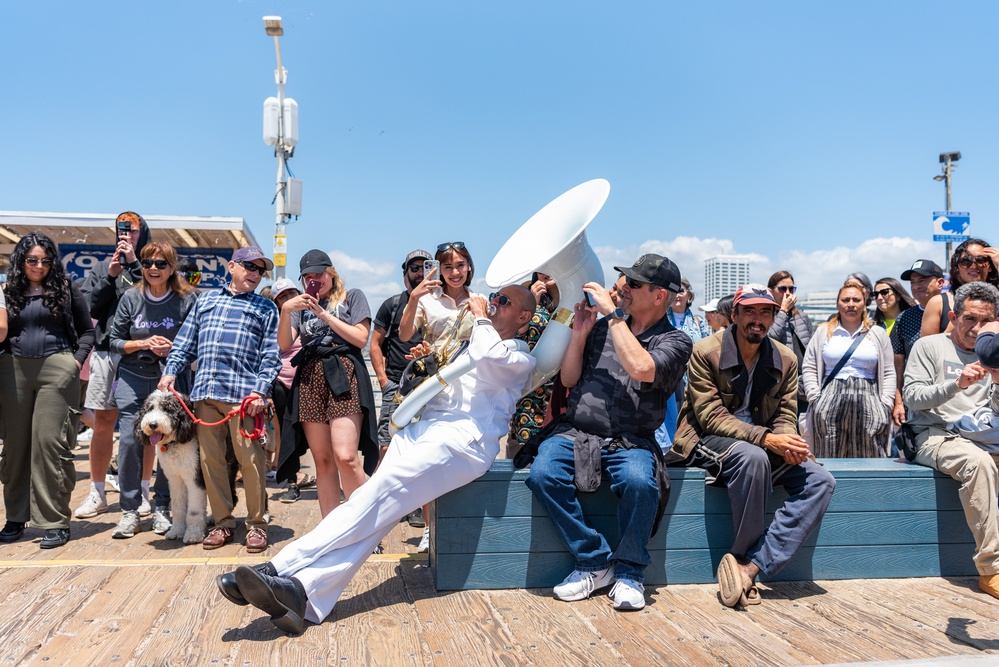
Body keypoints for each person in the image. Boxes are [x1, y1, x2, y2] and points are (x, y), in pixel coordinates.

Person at [215, 286, 537, 633]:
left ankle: (278, 568)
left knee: (370, 498)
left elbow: (487, 356)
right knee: (377, 516)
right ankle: (303, 595)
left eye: (504, 301)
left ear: (523, 318)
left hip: (461, 442)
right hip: (425, 430)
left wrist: (481, 317)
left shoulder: (518, 356)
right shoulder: (476, 338)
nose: (493, 303)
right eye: (494, 297)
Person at [525, 254, 692, 611]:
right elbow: (569, 380)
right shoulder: (602, 328)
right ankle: (594, 561)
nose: (625, 289)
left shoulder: (676, 342)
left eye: (634, 284)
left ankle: (630, 572)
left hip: (631, 439)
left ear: (660, 296)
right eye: (626, 282)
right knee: (542, 474)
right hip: (577, 433)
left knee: (639, 482)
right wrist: (580, 337)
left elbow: (642, 367)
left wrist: (613, 317)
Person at [672, 283, 835, 608]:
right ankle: (740, 553)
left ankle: (750, 567)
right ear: (734, 314)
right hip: (706, 439)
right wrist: (768, 439)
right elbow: (710, 416)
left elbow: (787, 413)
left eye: (765, 312)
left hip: (763, 442)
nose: (757, 319)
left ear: (775, 316)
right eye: (749, 311)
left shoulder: (785, 358)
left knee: (820, 479)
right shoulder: (706, 351)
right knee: (754, 457)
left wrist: (787, 440)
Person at [159, 245, 281, 553]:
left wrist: (259, 391)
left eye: (260, 270)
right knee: (210, 462)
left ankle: (256, 525)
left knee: (251, 461)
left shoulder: (267, 309)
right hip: (206, 394)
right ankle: (224, 522)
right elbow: (185, 343)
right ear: (232, 266)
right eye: (250, 266)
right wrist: (170, 371)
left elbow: (271, 356)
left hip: (243, 398)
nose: (256, 273)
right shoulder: (206, 300)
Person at [903, 281, 999, 600]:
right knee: (979, 463)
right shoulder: (928, 347)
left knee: (982, 456)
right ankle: (991, 569)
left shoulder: (993, 352)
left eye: (986, 321)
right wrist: (956, 383)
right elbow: (913, 398)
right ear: (954, 316)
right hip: (936, 435)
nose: (977, 327)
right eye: (970, 319)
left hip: (983, 433)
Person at [0, 233, 95, 548]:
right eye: (32, 260)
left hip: (57, 369)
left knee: (49, 445)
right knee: (14, 448)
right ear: (21, 261)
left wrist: (74, 362)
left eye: (45, 260)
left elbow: (87, 331)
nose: (39, 266)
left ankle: (54, 521)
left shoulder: (66, 289)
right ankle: (16, 518)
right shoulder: (8, 291)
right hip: (12, 370)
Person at [107, 242, 198, 538]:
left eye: (161, 263)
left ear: (172, 267)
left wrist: (174, 349)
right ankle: (130, 511)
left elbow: (197, 342)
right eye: (147, 263)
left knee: (170, 444)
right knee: (131, 443)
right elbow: (115, 341)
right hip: (134, 376)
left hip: (171, 379)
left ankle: (162, 507)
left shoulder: (186, 299)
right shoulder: (131, 297)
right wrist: (144, 344)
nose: (153, 269)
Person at [277, 249, 376, 518]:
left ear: (331, 272)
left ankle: (366, 526)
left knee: (346, 456)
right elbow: (285, 344)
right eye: (308, 276)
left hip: (343, 373)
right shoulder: (300, 305)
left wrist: (324, 314)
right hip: (310, 378)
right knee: (322, 461)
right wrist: (286, 311)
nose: (314, 280)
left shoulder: (352, 296)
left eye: (319, 274)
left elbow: (360, 338)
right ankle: (331, 531)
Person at [397, 241, 480, 551]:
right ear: (439, 270)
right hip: (436, 389)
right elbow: (405, 335)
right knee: (430, 461)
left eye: (459, 265)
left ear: (469, 266)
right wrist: (414, 298)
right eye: (447, 266)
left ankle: (461, 526)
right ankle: (432, 528)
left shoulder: (480, 301)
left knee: (464, 458)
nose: (454, 272)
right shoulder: (427, 302)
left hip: (471, 389)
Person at [75, 211, 157, 522]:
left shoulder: (151, 266)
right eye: (122, 229)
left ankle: (144, 490)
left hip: (140, 356)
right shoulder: (100, 268)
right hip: (106, 353)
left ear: (143, 232)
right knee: (103, 425)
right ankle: (97, 492)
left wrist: (136, 263)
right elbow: (89, 309)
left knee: (146, 428)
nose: (127, 234)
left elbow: (151, 300)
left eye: (133, 229)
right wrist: (110, 277)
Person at [801, 280, 895, 457]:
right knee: (829, 451)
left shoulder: (877, 333)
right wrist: (815, 397)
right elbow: (809, 365)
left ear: (864, 302)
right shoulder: (823, 331)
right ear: (838, 303)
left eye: (856, 300)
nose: (851, 304)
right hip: (830, 395)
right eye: (846, 300)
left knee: (873, 452)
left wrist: (886, 403)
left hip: (870, 395)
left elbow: (889, 371)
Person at [370, 249, 430, 459]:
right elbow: (374, 344)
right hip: (397, 385)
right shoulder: (392, 305)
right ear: (405, 273)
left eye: (426, 267)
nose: (420, 273)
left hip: (432, 387)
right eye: (414, 268)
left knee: (425, 449)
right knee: (387, 448)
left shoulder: (443, 305)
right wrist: (384, 381)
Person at [269, 278, 312, 503]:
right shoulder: (274, 322)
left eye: (291, 293)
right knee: (287, 434)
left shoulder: (312, 314)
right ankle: (292, 483)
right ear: (277, 302)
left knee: (319, 434)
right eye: (283, 297)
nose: (289, 299)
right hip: (282, 384)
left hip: (309, 382)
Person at [508, 271, 559, 455]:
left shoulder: (573, 300)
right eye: (542, 268)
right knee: (522, 459)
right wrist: (531, 303)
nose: (547, 272)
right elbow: (514, 338)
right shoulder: (527, 296)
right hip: (530, 396)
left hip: (560, 392)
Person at [922, 239, 999, 337]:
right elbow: (926, 347)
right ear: (957, 266)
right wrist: (953, 330)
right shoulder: (938, 303)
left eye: (981, 260)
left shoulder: (997, 301)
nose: (973, 265)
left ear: (991, 266)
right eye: (966, 261)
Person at [767, 271, 814, 417]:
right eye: (782, 289)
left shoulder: (801, 316)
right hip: (780, 381)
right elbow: (769, 338)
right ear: (771, 291)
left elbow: (813, 347)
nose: (787, 293)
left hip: (803, 380)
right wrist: (782, 311)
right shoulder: (767, 315)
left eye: (791, 289)